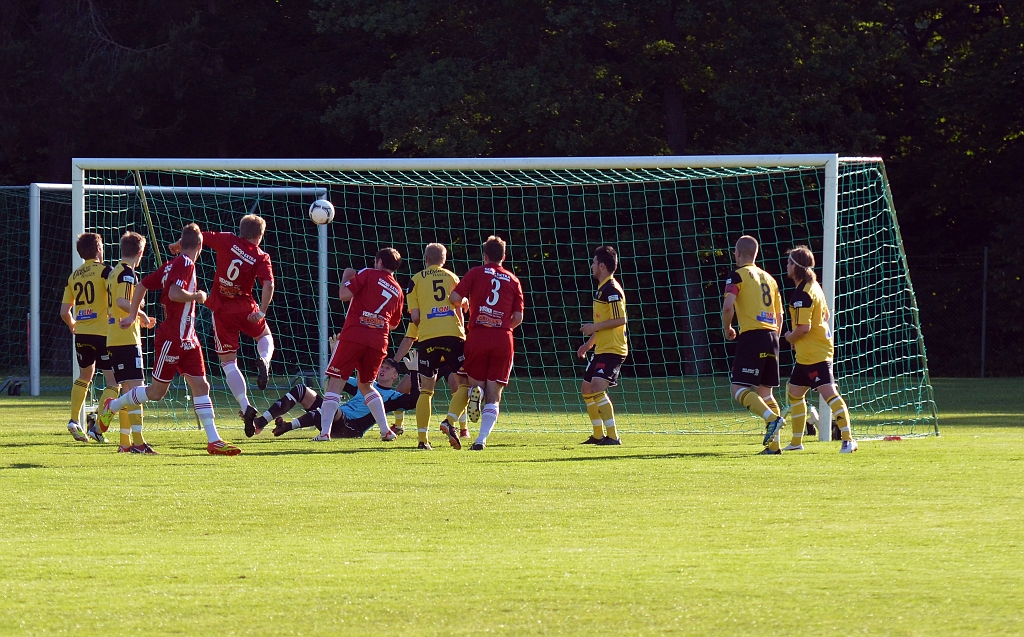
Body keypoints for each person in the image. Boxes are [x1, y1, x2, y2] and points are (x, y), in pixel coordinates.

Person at [98, 224, 241, 456]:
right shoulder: (184, 263)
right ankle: (112, 406)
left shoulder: (171, 265)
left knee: (201, 385)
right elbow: (174, 293)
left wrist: (134, 314)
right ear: (201, 246)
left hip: (189, 339)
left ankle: (214, 440)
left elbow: (143, 284)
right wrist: (199, 296)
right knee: (156, 393)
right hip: (172, 338)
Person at [170, 214, 275, 437]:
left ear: (240, 229)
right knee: (265, 336)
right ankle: (264, 359)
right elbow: (269, 284)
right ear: (260, 236)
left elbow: (196, 236)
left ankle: (246, 406)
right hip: (246, 307)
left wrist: (177, 245)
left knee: (228, 363)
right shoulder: (260, 256)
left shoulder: (227, 240)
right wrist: (262, 310)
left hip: (221, 309)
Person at [315, 248, 405, 442]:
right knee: (366, 385)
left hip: (354, 335)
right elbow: (395, 323)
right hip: (378, 340)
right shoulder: (397, 290)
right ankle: (385, 431)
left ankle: (324, 433)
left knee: (336, 383)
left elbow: (343, 294)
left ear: (379, 262)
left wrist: (347, 275)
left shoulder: (368, 273)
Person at [449, 236, 524, 451]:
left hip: (477, 335)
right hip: (502, 337)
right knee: (495, 394)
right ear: (504, 257)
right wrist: (502, 326)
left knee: (475, 385)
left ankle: (477, 393)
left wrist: (464, 302)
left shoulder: (475, 273)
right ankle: (481, 439)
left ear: (485, 256)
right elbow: (518, 318)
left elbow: (454, 297)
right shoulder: (513, 280)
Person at [782, 245, 858, 453]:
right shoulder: (814, 286)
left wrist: (789, 336)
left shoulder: (803, 294)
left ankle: (848, 440)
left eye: (789, 262)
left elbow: (804, 328)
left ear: (796, 267)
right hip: (807, 354)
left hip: (816, 354)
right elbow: (824, 316)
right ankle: (796, 443)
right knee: (795, 393)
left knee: (829, 394)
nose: (786, 266)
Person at [721, 235, 787, 454]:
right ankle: (774, 447)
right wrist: (774, 337)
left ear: (737, 253)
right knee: (766, 394)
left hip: (752, 336)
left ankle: (772, 418)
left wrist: (727, 328)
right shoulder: (770, 279)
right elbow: (779, 315)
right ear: (756, 254)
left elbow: (728, 306)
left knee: (738, 388)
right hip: (772, 337)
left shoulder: (737, 276)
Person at [407, 243, 470, 450]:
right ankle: (450, 422)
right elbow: (459, 308)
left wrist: (427, 327)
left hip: (427, 338)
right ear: (443, 260)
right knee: (464, 384)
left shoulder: (414, 280)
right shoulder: (452, 277)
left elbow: (415, 317)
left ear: (425, 259)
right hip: (453, 336)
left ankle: (423, 441)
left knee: (426, 390)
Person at [266, 359, 419, 438]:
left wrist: (413, 371)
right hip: (335, 419)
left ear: (394, 376)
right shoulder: (364, 384)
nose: (382, 369)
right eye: (382, 366)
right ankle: (262, 420)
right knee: (302, 390)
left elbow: (414, 401)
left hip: (351, 428)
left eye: (387, 368)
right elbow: (338, 377)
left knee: (326, 409)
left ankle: (286, 427)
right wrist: (337, 355)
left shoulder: (393, 397)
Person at [105, 232, 158, 452]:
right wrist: (141, 314)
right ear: (140, 253)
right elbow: (121, 301)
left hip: (114, 337)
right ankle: (138, 442)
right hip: (126, 337)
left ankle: (125, 443)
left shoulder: (114, 271)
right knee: (137, 391)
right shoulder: (127, 274)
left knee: (128, 392)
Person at [59, 233, 114, 443]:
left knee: (84, 376)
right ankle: (97, 426)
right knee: (113, 382)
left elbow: (64, 311)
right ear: (99, 249)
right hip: (103, 334)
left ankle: (74, 420)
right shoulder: (105, 271)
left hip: (81, 333)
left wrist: (73, 324)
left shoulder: (74, 276)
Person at [577, 246, 628, 445]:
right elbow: (605, 322)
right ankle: (598, 435)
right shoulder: (601, 289)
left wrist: (593, 327)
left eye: (593, 262)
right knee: (586, 389)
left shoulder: (612, 289)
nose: (591, 266)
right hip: (601, 348)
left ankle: (613, 437)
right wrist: (589, 344)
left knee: (597, 387)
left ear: (602, 266)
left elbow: (620, 319)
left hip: (614, 349)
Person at [394, 324, 470, 439]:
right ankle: (398, 425)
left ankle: (463, 429)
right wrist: (394, 362)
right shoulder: (420, 315)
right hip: (429, 357)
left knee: (458, 386)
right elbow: (409, 338)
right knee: (401, 389)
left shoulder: (451, 312)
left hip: (448, 360)